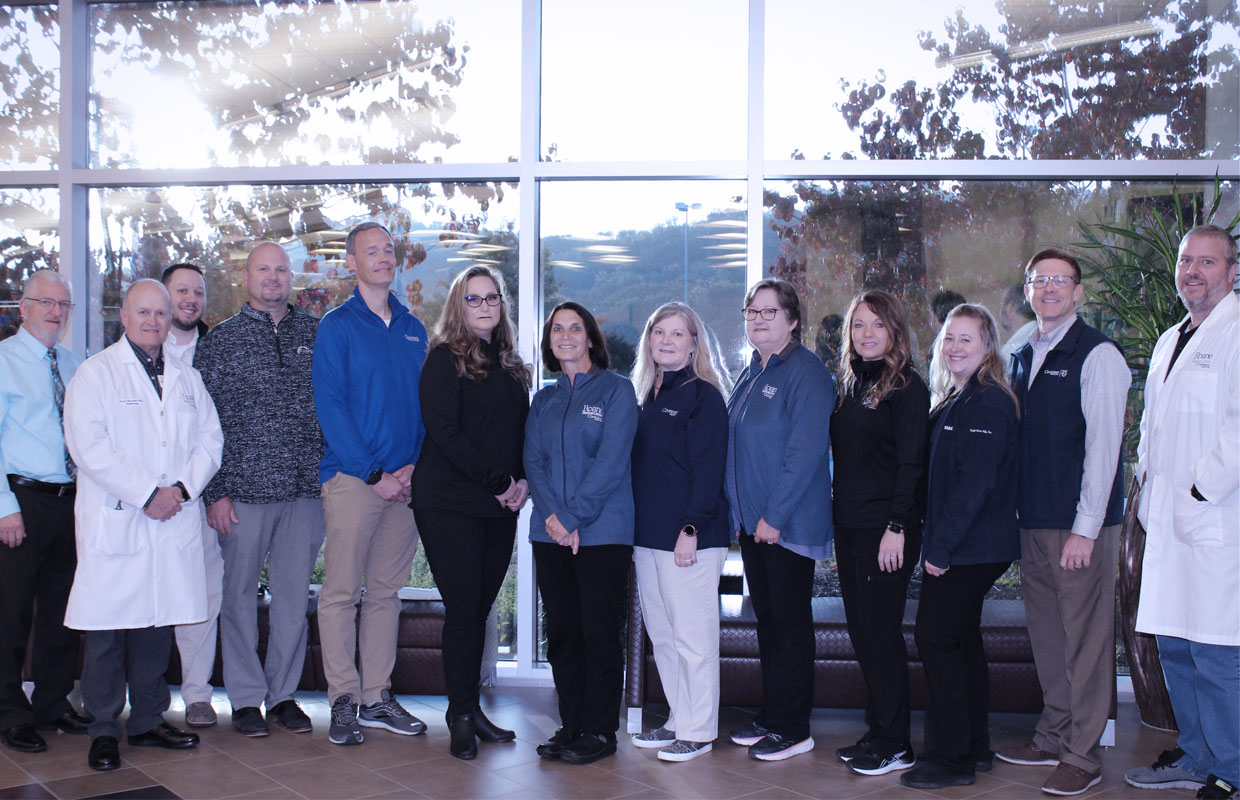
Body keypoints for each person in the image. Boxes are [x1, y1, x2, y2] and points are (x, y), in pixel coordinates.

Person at [62, 279, 223, 772]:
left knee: (158, 623)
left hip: (171, 516)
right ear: (124, 318)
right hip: (122, 517)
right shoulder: (96, 375)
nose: (153, 321)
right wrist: (148, 494)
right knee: (109, 631)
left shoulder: (185, 377)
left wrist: (180, 489)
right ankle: (105, 728)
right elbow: (88, 447)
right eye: (143, 313)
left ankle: (149, 720)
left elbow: (210, 441)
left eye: (161, 313)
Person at [997, 248, 1130, 796]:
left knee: (1087, 642)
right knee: (1049, 637)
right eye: (1038, 279)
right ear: (1027, 289)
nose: (1049, 288)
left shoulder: (1097, 355)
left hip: (1079, 525)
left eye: (1060, 280)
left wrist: (1086, 528)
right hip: (1033, 520)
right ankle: (1053, 733)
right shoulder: (1022, 350)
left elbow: (1104, 448)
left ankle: (1083, 752)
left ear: (1079, 292)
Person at [1125, 225, 1238, 800]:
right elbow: (1153, 425)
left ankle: (1232, 770)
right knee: (1174, 644)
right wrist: (1148, 486)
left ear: (1232, 270)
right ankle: (1196, 755)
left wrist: (1199, 490)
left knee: (1216, 651)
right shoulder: (1173, 338)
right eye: (1185, 260)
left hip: (1216, 522)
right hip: (1168, 520)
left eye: (1207, 261)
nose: (1193, 270)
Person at [194, 242, 325, 738]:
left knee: (294, 598)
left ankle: (284, 696)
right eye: (263, 269)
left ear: (291, 278)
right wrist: (216, 492)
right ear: (245, 277)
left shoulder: (316, 333)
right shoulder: (221, 342)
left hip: (304, 492)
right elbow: (202, 426)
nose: (273, 278)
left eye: (281, 270)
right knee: (239, 596)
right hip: (242, 493)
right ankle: (247, 698)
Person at [313, 222, 428, 746]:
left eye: (388, 250)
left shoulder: (413, 327)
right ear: (352, 263)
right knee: (340, 593)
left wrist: (410, 469)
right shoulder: (336, 327)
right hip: (355, 481)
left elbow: (427, 406)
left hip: (404, 485)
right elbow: (330, 406)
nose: (383, 258)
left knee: (385, 594)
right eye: (371, 251)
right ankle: (342, 698)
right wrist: (374, 473)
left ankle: (376, 697)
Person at [410, 266, 530, 760]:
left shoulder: (507, 363)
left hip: (497, 506)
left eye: (492, 298)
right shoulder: (443, 360)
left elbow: (515, 433)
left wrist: (522, 483)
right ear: (458, 307)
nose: (484, 307)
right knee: (463, 610)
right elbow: (447, 435)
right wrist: (502, 483)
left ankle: (471, 708)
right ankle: (459, 714)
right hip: (449, 503)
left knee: (478, 610)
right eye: (473, 299)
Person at [900, 303, 1020, 790]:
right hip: (966, 542)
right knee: (962, 639)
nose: (954, 348)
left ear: (988, 346)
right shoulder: (959, 397)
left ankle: (951, 759)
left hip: (971, 546)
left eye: (966, 339)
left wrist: (940, 549)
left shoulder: (988, 401)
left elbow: (974, 484)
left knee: (936, 638)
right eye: (949, 338)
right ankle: (974, 745)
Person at [726, 278, 835, 762]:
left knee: (790, 626)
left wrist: (774, 516)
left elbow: (805, 453)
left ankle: (794, 727)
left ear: (792, 320)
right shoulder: (751, 371)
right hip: (754, 526)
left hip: (784, 526)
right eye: (753, 311)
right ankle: (773, 715)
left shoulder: (806, 372)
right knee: (768, 623)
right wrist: (741, 515)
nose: (759, 319)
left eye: (770, 312)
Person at [525, 301, 637, 766]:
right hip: (549, 533)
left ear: (590, 337)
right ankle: (571, 725)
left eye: (575, 328)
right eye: (557, 329)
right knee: (565, 633)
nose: (566, 336)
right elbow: (533, 461)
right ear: (550, 340)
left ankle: (599, 730)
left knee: (599, 633)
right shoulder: (543, 399)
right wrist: (555, 517)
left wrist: (573, 518)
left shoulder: (617, 391)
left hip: (603, 532)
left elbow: (612, 463)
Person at [830, 290, 929, 777]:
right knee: (864, 635)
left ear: (895, 332)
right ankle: (878, 730)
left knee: (882, 636)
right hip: (849, 526)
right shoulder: (850, 383)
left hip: (885, 530)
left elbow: (912, 464)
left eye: (877, 325)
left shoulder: (907, 387)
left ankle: (896, 742)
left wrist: (897, 526)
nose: (867, 334)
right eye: (858, 326)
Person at [628, 302, 731, 763]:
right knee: (664, 635)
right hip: (647, 538)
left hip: (690, 537)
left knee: (694, 637)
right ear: (649, 340)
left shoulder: (703, 396)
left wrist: (691, 527)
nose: (667, 341)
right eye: (659, 333)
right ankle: (677, 719)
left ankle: (699, 729)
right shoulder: (645, 396)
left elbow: (709, 473)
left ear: (694, 344)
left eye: (677, 334)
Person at [0, 270, 91, 754]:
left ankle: (52, 704)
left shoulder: (77, 365)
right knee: (11, 614)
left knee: (62, 612)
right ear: (23, 306)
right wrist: (4, 508)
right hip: (21, 503)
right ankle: (11, 712)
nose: (56, 312)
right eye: (46, 303)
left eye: (64, 305)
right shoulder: (3, 361)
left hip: (70, 502)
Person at [160, 262, 225, 729]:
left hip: (202, 496)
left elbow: (225, 432)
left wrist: (210, 491)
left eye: (197, 292)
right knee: (146, 592)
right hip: (147, 500)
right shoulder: (137, 352)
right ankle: (144, 692)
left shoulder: (219, 350)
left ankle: (197, 694)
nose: (190, 299)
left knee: (204, 594)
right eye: (181, 290)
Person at [998, 282, 1037, 366]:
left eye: (1002, 305)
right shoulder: (1046, 335)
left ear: (1010, 309)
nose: (1000, 312)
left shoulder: (1011, 351)